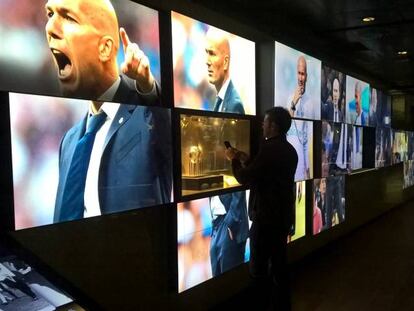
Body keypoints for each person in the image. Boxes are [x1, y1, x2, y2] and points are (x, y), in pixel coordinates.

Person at [226, 107, 298, 310]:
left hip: (265, 220)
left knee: (258, 270)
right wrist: (247, 159)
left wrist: (233, 159)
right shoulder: (289, 151)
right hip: (281, 218)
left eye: (265, 122)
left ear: (273, 126)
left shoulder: (268, 150)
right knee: (279, 266)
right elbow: (268, 173)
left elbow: (244, 178)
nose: (262, 125)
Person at [45, 0, 160, 105]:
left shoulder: (138, 58)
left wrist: (147, 85)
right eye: (50, 15)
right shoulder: (75, 125)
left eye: (69, 18)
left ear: (105, 48)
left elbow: (159, 119)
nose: (50, 28)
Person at [204, 27, 249, 276]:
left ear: (226, 60)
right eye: (205, 53)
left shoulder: (234, 104)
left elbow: (239, 165)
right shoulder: (218, 101)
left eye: (212, 53)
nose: (207, 61)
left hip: (229, 223)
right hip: (219, 220)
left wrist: (232, 221)